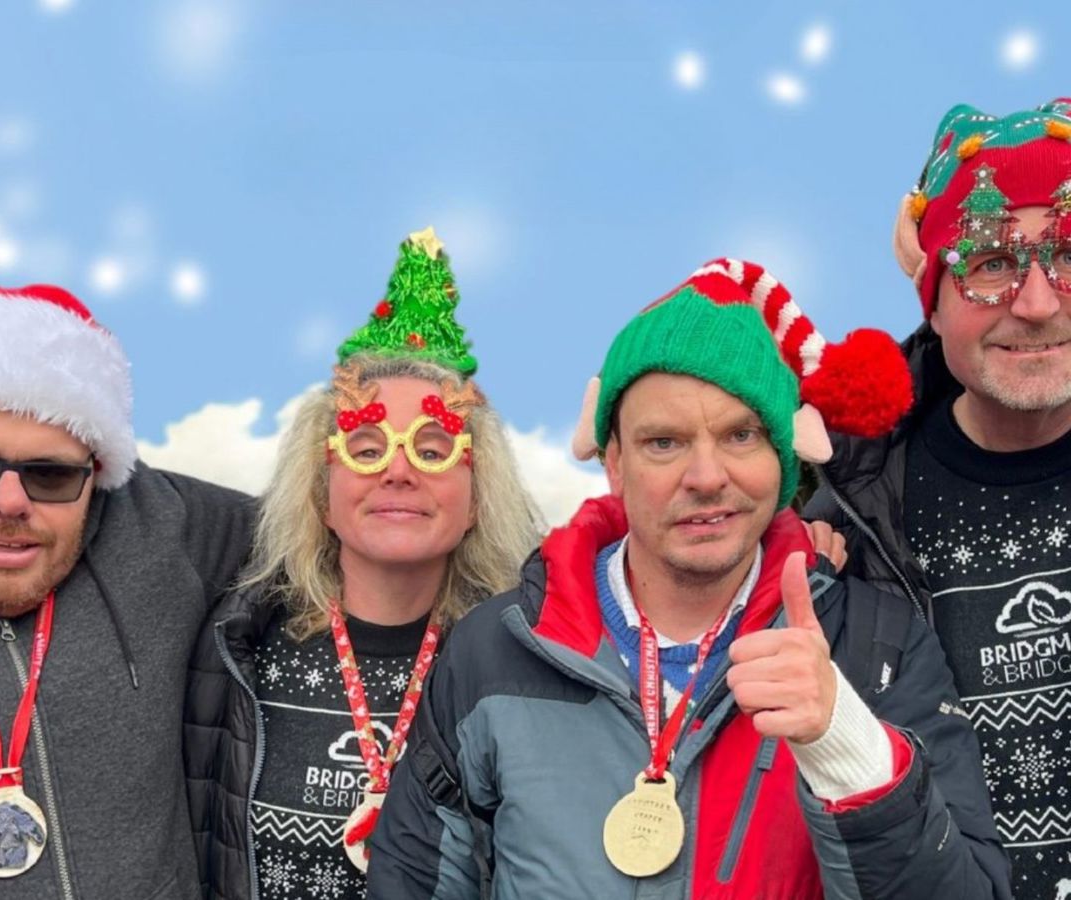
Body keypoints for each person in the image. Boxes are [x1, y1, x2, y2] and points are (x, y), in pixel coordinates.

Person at [366, 259, 1010, 899]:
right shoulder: (495, 650)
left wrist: (848, 745)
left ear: (783, 457)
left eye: (740, 435)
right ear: (614, 461)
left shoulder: (877, 647)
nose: (705, 477)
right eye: (664, 443)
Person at [185, 228, 543, 899]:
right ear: (322, 494)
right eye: (367, 447)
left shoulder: (518, 665)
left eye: (433, 449)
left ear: (476, 499)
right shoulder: (236, 645)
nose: (398, 471)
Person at [0, 272, 254, 899]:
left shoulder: (162, 528)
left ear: (98, 473)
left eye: (49, 475)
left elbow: (336, 522)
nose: (9, 501)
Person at [804, 98, 1071, 898]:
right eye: (989, 263)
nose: (1037, 302)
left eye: (1068, 253)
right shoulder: (836, 509)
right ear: (932, 289)